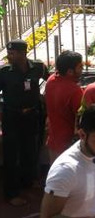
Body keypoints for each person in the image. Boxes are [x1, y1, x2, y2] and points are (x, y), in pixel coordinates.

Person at [0, 39, 49, 206]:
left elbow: (50, 79)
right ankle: (11, 193)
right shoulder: (4, 72)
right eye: (9, 53)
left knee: (30, 149)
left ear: (23, 53)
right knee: (11, 154)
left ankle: (28, 181)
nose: (9, 56)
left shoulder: (38, 67)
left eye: (13, 53)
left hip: (32, 115)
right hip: (11, 117)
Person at [45, 50, 84, 164]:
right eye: (80, 67)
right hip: (68, 146)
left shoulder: (51, 80)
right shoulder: (74, 91)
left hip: (53, 142)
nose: (82, 69)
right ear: (70, 71)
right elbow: (81, 115)